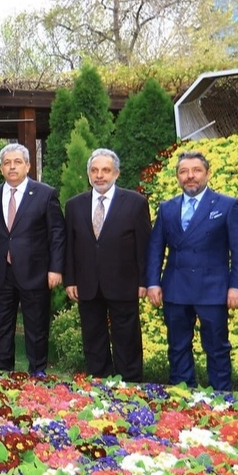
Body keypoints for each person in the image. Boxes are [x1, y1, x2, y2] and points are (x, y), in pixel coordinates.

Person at [146, 151, 238, 390]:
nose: (190, 176)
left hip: (213, 289)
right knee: (177, 346)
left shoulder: (227, 205)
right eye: (183, 172)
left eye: (196, 171)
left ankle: (220, 398)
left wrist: (237, 286)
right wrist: (153, 282)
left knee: (216, 347)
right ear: (177, 177)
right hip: (175, 288)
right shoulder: (167, 208)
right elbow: (155, 248)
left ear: (207, 173)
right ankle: (182, 396)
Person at [63, 148, 151, 381]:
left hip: (124, 282)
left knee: (127, 337)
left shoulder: (135, 202)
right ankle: (100, 382)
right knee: (93, 336)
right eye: (94, 170)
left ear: (116, 173)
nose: (99, 175)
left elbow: (144, 247)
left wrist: (145, 281)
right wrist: (70, 279)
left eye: (105, 170)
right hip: (87, 283)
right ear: (89, 173)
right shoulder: (74, 205)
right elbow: (69, 245)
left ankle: (130, 384)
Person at [0, 142, 65, 376]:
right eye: (7, 163)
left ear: (27, 165)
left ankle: (37, 371)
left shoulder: (46, 194)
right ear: (1, 169)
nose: (12, 167)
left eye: (17, 162)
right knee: (1, 326)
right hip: (0, 272)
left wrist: (56, 269)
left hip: (35, 272)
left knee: (36, 326)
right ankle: (3, 371)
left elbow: (57, 234)